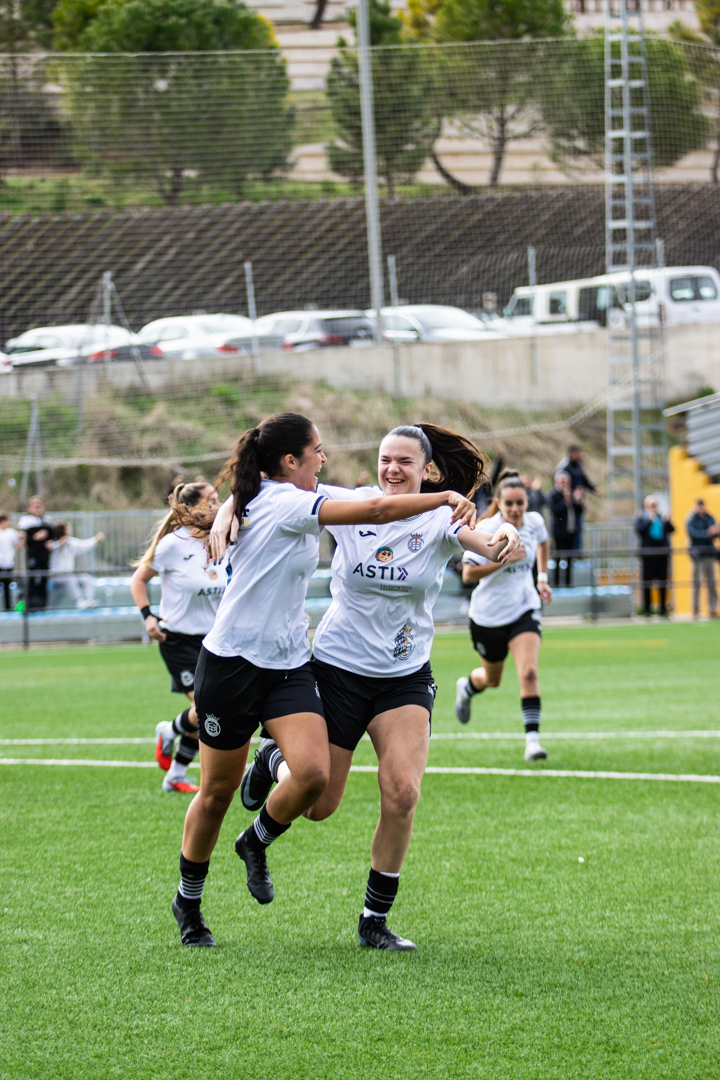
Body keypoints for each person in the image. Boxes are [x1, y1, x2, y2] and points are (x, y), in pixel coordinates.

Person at [169, 412, 481, 948]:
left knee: (315, 778)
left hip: (291, 662)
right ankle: (189, 903)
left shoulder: (288, 495)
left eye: (403, 460)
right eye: (317, 450)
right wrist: (445, 497)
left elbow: (464, 530)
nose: (324, 458)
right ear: (291, 460)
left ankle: (263, 834)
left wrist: (497, 536)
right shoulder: (288, 501)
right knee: (217, 792)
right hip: (232, 663)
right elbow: (375, 509)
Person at [235, 424, 521, 952]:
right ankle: (269, 773)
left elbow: (484, 542)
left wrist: (506, 537)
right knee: (319, 805)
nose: (392, 469)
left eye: (405, 462)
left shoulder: (441, 516)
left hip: (404, 677)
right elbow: (268, 493)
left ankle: (374, 920)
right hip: (338, 670)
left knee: (403, 793)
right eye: (386, 459)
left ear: (428, 470)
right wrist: (224, 514)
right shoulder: (352, 503)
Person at [130, 481, 224, 795]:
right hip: (178, 641)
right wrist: (148, 616)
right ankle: (169, 732)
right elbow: (138, 580)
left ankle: (174, 770)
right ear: (191, 509)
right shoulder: (172, 545)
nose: (218, 505)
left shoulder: (221, 539)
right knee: (206, 705)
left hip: (213, 642)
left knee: (208, 708)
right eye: (211, 500)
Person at [454, 470, 553, 764]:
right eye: (509, 503)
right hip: (488, 617)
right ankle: (467, 688)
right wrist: (503, 561)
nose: (515, 509)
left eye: (520, 503)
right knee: (492, 679)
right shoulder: (487, 528)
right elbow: (468, 575)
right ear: (498, 502)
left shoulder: (534, 522)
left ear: (527, 502)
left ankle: (532, 742)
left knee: (529, 672)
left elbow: (543, 543)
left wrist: (542, 578)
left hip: (524, 609)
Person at [635, 497, 674, 617]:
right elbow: (640, 531)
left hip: (661, 555)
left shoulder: (661, 517)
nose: (653, 508)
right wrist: (649, 520)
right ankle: (647, 609)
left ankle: (663, 609)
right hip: (648, 556)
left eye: (655, 505)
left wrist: (667, 520)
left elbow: (672, 529)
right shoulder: (641, 518)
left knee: (662, 582)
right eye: (651, 506)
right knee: (647, 583)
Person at [49, 523, 105, 608]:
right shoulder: (54, 542)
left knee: (86, 578)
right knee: (70, 578)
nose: (70, 529)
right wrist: (60, 543)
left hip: (69, 575)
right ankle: (79, 601)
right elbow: (51, 546)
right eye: (68, 528)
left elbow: (83, 545)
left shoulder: (70, 542)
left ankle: (89, 600)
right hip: (57, 576)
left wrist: (95, 539)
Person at [557, 444, 598, 550]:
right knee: (570, 532)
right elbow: (560, 485)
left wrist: (593, 489)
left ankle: (577, 552)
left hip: (578, 503)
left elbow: (584, 479)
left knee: (579, 530)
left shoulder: (579, 465)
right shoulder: (564, 467)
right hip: (568, 505)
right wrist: (570, 495)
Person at [17, 496, 53, 610]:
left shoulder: (46, 520)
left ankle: (43, 602)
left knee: (44, 577)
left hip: (44, 555)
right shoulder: (25, 521)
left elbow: (52, 535)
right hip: (33, 554)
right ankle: (32, 602)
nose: (37, 509)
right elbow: (23, 540)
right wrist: (35, 537)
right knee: (32, 577)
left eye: (39, 506)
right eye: (34, 506)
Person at [686, 498, 719, 619]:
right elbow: (693, 534)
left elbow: (716, 532)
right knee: (696, 583)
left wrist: (714, 532)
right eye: (699, 506)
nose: (701, 508)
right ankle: (695, 609)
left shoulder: (709, 518)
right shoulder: (691, 519)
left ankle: (713, 608)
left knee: (711, 583)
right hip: (697, 555)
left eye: (702, 506)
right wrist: (707, 533)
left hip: (709, 554)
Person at [547, 471, 576, 587]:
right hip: (559, 532)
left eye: (567, 482)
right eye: (563, 482)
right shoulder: (553, 495)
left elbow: (579, 510)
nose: (565, 485)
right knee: (558, 557)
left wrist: (577, 500)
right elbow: (554, 511)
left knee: (569, 558)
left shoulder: (571, 494)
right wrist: (565, 501)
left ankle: (569, 583)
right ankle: (557, 583)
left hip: (571, 531)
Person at [0, 513, 20, 611]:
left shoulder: (11, 533)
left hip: (8, 563)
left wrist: (22, 537)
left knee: (7, 586)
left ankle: (8, 608)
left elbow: (18, 545)